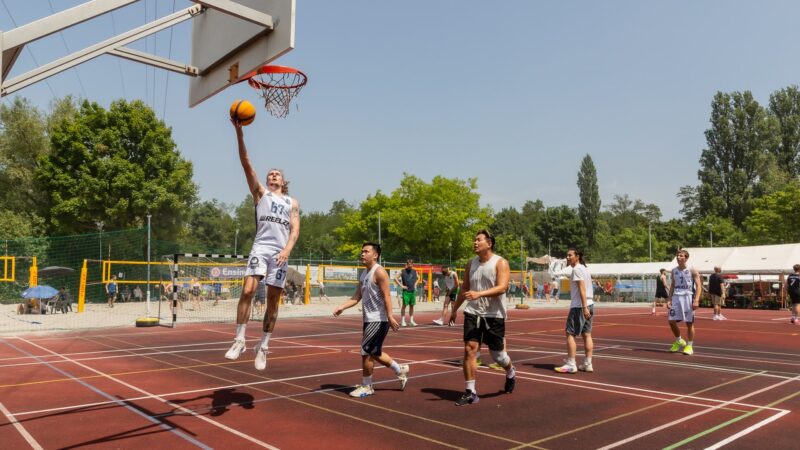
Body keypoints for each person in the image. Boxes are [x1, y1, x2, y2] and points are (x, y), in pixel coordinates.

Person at [223, 118, 301, 371]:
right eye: (270, 173)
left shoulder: (292, 202)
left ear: (283, 180)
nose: (273, 174)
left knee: (273, 300)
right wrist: (239, 132)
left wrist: (287, 250)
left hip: (280, 253)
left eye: (277, 173)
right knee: (247, 290)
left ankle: (264, 345)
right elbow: (246, 162)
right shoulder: (260, 194)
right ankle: (239, 339)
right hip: (261, 247)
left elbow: (295, 229)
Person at [449, 230, 516, 406]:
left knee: (498, 356)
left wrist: (480, 294)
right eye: (474, 240)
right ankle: (471, 392)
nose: (475, 243)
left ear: (489, 243)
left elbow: (502, 288)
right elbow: (464, 288)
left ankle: (510, 372)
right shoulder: (471, 263)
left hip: (494, 315)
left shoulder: (500, 262)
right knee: (470, 349)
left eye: (478, 240)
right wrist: (455, 309)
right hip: (473, 313)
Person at [333, 242, 409, 397]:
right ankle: (399, 369)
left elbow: (387, 295)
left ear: (375, 255)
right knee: (375, 352)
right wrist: (342, 307)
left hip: (379, 319)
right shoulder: (363, 274)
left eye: (366, 251)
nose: (362, 254)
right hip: (369, 319)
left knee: (366, 351)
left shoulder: (379, 272)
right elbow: (356, 297)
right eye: (362, 251)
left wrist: (389, 316)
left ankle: (367, 386)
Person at [555, 248, 595, 374]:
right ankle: (588, 363)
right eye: (567, 255)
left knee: (570, 333)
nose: (567, 257)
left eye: (570, 255)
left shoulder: (577, 269)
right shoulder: (584, 269)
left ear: (577, 256)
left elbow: (582, 289)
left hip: (580, 306)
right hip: (590, 303)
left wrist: (584, 307)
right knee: (587, 334)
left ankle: (571, 364)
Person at [667, 249, 702, 355]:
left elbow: (699, 285)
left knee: (689, 323)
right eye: (677, 255)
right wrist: (669, 299)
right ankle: (679, 341)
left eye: (681, 256)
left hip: (688, 297)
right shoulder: (674, 270)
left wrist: (696, 299)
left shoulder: (692, 269)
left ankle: (689, 346)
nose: (678, 257)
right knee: (671, 321)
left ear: (686, 258)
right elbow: (673, 285)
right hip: (676, 297)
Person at [393, 259, 418, 327]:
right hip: (406, 291)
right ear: (407, 264)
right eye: (409, 264)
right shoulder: (403, 271)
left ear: (412, 264)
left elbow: (418, 278)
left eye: (411, 264)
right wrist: (401, 286)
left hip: (412, 291)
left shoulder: (415, 271)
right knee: (404, 306)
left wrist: (415, 285)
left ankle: (411, 321)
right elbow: (395, 278)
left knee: (412, 306)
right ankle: (403, 321)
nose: (410, 265)